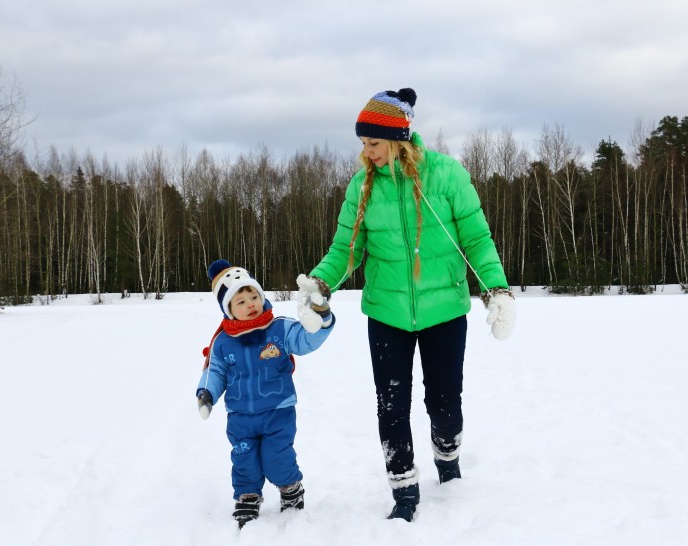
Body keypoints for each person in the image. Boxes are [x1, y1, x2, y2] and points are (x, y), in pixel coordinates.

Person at [296, 88, 515, 522]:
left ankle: (447, 455)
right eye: (363, 144)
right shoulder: (362, 187)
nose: (367, 152)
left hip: (445, 313)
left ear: (398, 137)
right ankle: (404, 491)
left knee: (445, 405)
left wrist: (498, 289)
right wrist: (321, 282)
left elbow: (476, 239)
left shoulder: (448, 175)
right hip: (387, 315)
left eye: (373, 143)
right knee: (391, 405)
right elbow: (347, 248)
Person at [196, 259, 334, 529]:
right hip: (240, 416)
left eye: (254, 295)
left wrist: (322, 320)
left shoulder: (279, 329)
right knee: (243, 457)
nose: (250, 303)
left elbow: (307, 339)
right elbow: (216, 371)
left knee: (277, 455)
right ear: (229, 309)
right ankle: (248, 495)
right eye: (241, 301)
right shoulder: (223, 342)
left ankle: (290, 487)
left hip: (277, 411)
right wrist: (206, 393)